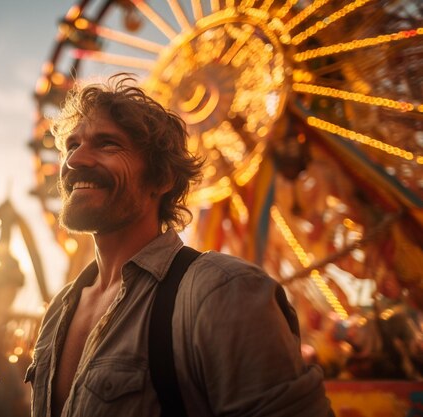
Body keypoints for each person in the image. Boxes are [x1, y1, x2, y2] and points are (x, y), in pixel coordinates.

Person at [25, 73, 334, 416]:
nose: (74, 161)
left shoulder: (222, 293)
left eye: (107, 144)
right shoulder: (59, 310)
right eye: (72, 145)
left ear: (161, 178)